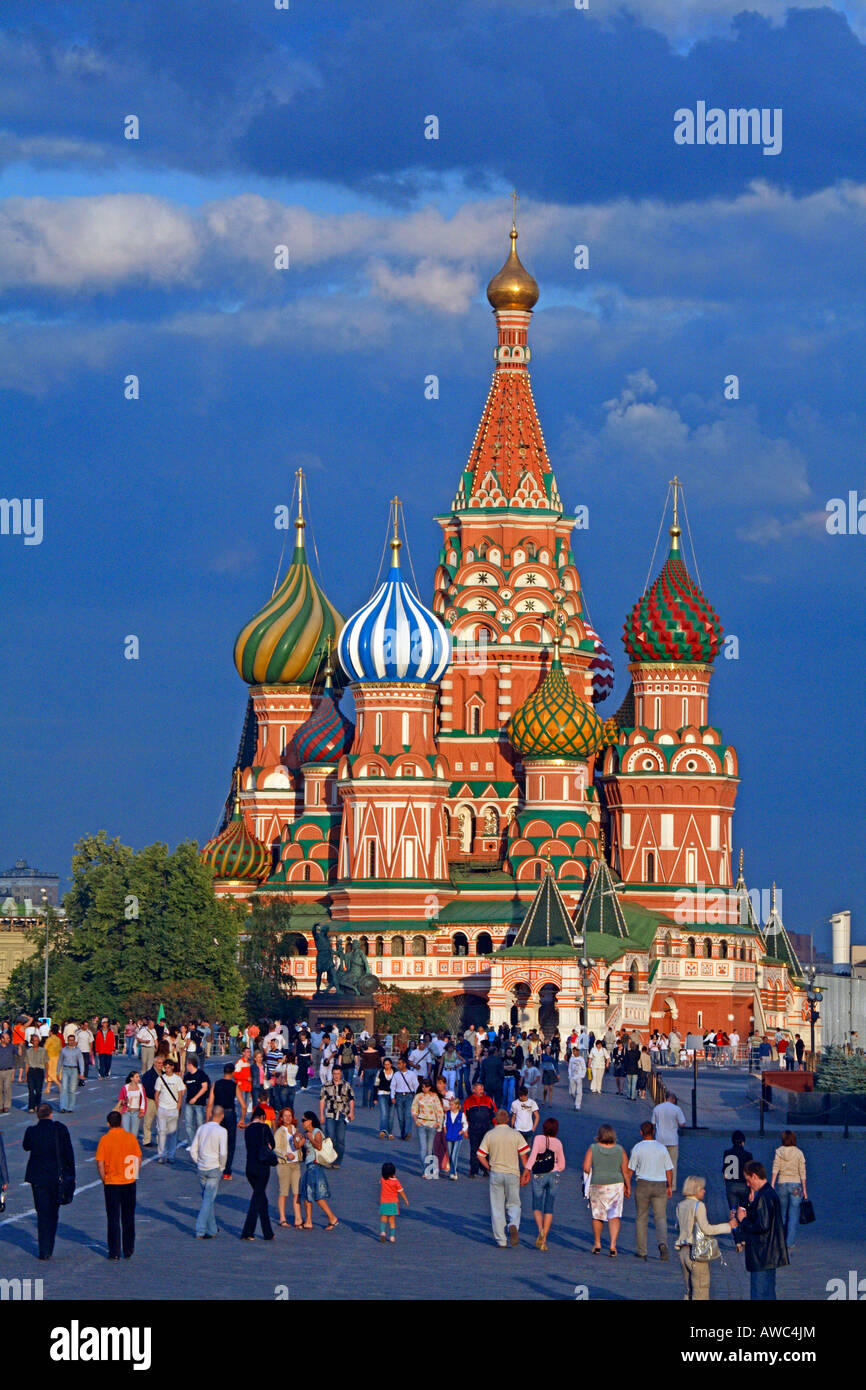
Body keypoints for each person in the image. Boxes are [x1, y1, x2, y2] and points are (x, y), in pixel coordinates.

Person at [23, 1103, 76, 1259]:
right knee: (53, 1212)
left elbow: (26, 1146)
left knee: (42, 1213)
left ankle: (43, 1249)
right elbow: (69, 1154)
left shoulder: (32, 1131)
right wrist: (72, 1175)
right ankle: (49, 1246)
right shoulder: (59, 1130)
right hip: (56, 1177)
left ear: (38, 1115)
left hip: (38, 1178)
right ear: (51, 1114)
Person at [731, 1160, 790, 1299]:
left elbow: (762, 1225)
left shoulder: (764, 1196)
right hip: (769, 1254)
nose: (747, 1184)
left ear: (755, 1176)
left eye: (748, 1179)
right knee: (768, 1292)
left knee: (760, 1293)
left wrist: (743, 1219)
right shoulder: (768, 1193)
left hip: (762, 1254)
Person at [675, 1175, 735, 1301]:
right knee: (700, 1291)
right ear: (696, 1189)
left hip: (683, 1252)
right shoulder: (699, 1206)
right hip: (696, 1253)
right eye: (702, 1189)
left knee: (688, 1291)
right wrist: (728, 1226)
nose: (704, 1191)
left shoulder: (680, 1205)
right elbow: (707, 1229)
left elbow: (678, 1227)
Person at [477, 1109, 530, 1248]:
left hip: (496, 1173)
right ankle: (513, 1224)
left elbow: (480, 1155)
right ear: (507, 1120)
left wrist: (488, 1167)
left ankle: (501, 1240)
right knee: (514, 1203)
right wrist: (527, 1171)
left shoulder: (490, 1134)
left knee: (497, 1206)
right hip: (512, 1173)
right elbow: (524, 1156)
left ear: (496, 1120)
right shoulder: (515, 1134)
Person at [96, 1110, 141, 1260]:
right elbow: (137, 1158)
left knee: (113, 1218)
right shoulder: (130, 1138)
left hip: (112, 1182)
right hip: (128, 1181)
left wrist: (104, 1179)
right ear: (121, 1122)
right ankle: (128, 1249)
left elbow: (100, 1163)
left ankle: (114, 1251)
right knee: (128, 1217)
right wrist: (133, 1175)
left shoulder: (105, 1139)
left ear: (108, 1124)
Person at [628, 1120, 674, 1261]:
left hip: (642, 1184)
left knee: (641, 1218)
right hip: (660, 1184)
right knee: (660, 1218)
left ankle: (642, 1250)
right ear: (653, 1132)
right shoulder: (661, 1148)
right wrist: (670, 1186)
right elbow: (669, 1169)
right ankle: (663, 1244)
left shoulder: (637, 1148)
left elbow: (631, 1169)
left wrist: (627, 1185)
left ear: (641, 1133)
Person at [583, 1123, 629, 1256]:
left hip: (597, 1184)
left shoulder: (593, 1148)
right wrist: (628, 1186)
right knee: (614, 1215)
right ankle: (613, 1246)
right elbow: (625, 1170)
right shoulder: (620, 1149)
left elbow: (586, 1167)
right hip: (616, 1185)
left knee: (597, 1215)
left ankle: (597, 1243)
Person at [523, 1116, 566, 1251]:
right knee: (549, 1207)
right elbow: (562, 1164)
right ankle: (544, 1239)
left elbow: (533, 1155)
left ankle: (540, 1229)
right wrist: (556, 1168)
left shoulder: (538, 1139)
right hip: (554, 1175)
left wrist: (526, 1170)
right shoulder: (558, 1143)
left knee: (537, 1205)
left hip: (539, 1175)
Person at [189, 1104, 228, 1238]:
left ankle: (212, 1229)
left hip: (202, 1167)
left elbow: (193, 1149)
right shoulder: (222, 1131)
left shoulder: (202, 1128)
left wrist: (198, 1161)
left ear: (211, 1114)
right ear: (222, 1116)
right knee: (208, 1200)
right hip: (214, 1167)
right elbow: (223, 1152)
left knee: (207, 1198)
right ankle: (200, 1229)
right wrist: (222, 1167)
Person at [240, 1105, 278, 1240]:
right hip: (262, 1167)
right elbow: (272, 1144)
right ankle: (247, 1231)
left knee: (262, 1199)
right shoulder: (265, 1128)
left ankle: (268, 1233)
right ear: (263, 1117)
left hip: (249, 1166)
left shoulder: (248, 1129)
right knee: (257, 1199)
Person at [298, 1111, 339, 1231]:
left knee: (317, 1195)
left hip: (315, 1166)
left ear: (310, 1121)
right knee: (307, 1194)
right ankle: (308, 1221)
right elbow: (298, 1146)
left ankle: (332, 1217)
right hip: (309, 1165)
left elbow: (319, 1146)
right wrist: (298, 1138)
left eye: (304, 1120)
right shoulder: (306, 1134)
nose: (302, 1122)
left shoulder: (316, 1132)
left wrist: (310, 1138)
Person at [771, 1130, 808, 1251]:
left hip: (782, 1183)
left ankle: (779, 1239)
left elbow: (775, 1168)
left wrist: (772, 1183)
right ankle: (789, 1242)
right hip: (796, 1185)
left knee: (781, 1214)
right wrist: (805, 1190)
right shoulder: (799, 1153)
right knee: (793, 1215)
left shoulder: (779, 1151)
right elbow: (802, 1172)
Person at [209, 1063, 243, 1182]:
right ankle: (227, 1171)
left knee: (216, 1141)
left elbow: (209, 1104)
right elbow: (243, 1105)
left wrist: (208, 1119)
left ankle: (216, 1166)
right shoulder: (234, 1086)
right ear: (233, 1073)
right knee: (230, 1142)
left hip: (217, 1113)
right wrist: (242, 1119)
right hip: (229, 1114)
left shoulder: (215, 1084)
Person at [319, 1064, 355, 1166]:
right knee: (330, 1138)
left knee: (340, 1139)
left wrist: (352, 1112)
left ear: (341, 1074)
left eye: (338, 1074)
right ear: (332, 1074)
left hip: (343, 1114)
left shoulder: (346, 1085)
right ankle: (329, 1159)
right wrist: (321, 1114)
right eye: (334, 1074)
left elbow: (351, 1099)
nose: (336, 1076)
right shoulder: (326, 1086)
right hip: (330, 1114)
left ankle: (338, 1160)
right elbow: (322, 1100)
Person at [274, 1106, 303, 1228]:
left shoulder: (294, 1129)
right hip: (284, 1164)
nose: (288, 1118)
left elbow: (298, 1144)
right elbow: (276, 1148)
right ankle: (282, 1217)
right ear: (281, 1118)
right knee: (284, 1192)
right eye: (285, 1116)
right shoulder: (280, 1131)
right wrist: (286, 1154)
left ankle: (298, 1217)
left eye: (289, 1115)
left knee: (297, 1192)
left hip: (296, 1163)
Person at [411, 1076, 444, 1179]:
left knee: (429, 1150)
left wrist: (438, 1123)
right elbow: (413, 1109)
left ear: (430, 1087)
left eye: (426, 1087)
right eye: (422, 1087)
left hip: (432, 1124)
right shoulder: (418, 1096)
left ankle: (429, 1170)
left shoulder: (434, 1096)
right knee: (422, 1148)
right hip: (421, 1123)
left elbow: (439, 1110)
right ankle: (425, 1169)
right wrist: (416, 1120)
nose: (424, 1089)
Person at [651, 1090, 686, 1187]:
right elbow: (682, 1123)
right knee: (672, 1164)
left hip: (660, 1139)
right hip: (672, 1140)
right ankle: (672, 1185)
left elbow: (653, 1123)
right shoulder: (677, 1109)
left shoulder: (657, 1108)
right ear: (673, 1100)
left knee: (659, 1163)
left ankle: (659, 1183)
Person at [464, 1080, 497, 1177]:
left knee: (485, 1150)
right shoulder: (468, 1101)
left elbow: (494, 1113)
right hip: (473, 1129)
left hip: (485, 1128)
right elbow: (464, 1117)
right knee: (474, 1150)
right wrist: (465, 1130)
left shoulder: (488, 1099)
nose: (482, 1091)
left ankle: (485, 1169)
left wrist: (496, 1125)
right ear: (474, 1090)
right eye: (480, 1089)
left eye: (482, 1089)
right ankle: (473, 1170)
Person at [154, 1058, 184, 1164]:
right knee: (161, 1133)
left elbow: (180, 1095)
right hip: (162, 1108)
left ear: (172, 1067)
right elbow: (156, 1095)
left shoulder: (177, 1079)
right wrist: (158, 1108)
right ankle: (161, 1155)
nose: (167, 1069)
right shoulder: (160, 1079)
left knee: (172, 1134)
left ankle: (171, 1155)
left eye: (168, 1067)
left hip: (173, 1109)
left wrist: (178, 1108)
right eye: (165, 1067)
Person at [722, 1130, 753, 1214]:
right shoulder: (748, 1155)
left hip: (731, 1186)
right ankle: (742, 1226)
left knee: (733, 1211)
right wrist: (752, 1191)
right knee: (743, 1211)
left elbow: (725, 1174)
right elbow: (750, 1174)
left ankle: (734, 1226)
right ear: (743, 1142)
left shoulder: (727, 1153)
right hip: (744, 1187)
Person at [182, 1056, 211, 1147]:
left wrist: (195, 1098)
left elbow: (205, 1087)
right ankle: (192, 1144)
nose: (186, 1066)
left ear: (191, 1064)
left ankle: (201, 1143)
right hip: (189, 1103)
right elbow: (184, 1088)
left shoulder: (201, 1074)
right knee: (188, 1124)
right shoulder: (187, 1076)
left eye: (187, 1064)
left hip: (199, 1103)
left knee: (200, 1124)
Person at [390, 1057, 419, 1142]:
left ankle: (408, 1132)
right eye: (398, 1064)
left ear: (404, 1064)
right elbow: (392, 1086)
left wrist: (417, 1097)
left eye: (399, 1063)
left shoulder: (412, 1074)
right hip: (399, 1096)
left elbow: (416, 1086)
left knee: (408, 1115)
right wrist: (392, 1096)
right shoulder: (396, 1074)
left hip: (409, 1095)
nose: (398, 1065)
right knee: (400, 1117)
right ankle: (403, 1133)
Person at [379, 1160, 409, 1242]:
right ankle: (392, 1237)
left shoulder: (382, 1180)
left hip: (384, 1202)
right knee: (392, 1220)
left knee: (383, 1218)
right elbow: (400, 1191)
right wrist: (406, 1199)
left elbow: (382, 1180)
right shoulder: (396, 1182)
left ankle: (382, 1232)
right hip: (393, 1203)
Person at [443, 1093, 468, 1179]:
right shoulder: (448, 1114)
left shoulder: (461, 1114)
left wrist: (462, 1131)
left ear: (457, 1105)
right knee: (450, 1154)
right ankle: (452, 1171)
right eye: (450, 1105)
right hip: (449, 1136)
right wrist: (446, 1131)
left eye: (452, 1105)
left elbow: (465, 1124)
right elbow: (444, 1123)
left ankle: (454, 1172)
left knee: (454, 1155)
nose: (450, 1106)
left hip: (457, 1137)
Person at [58, 1033, 85, 1113]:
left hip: (74, 1070)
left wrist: (82, 1073)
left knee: (72, 1090)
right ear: (67, 1041)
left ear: (74, 1041)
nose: (71, 1042)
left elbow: (81, 1062)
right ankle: (63, 1107)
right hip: (65, 1069)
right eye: (70, 1040)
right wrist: (57, 1071)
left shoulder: (77, 1050)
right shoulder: (63, 1050)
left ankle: (70, 1107)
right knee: (64, 1088)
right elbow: (60, 1061)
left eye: (73, 1040)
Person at [117, 1071, 147, 1138]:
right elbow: (120, 1099)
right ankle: (126, 1147)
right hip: (126, 1112)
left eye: (138, 1077)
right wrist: (124, 1101)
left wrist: (142, 1111)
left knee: (134, 1134)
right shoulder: (125, 1088)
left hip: (136, 1112)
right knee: (126, 1133)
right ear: (131, 1078)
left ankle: (132, 1147)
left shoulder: (141, 1087)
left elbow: (144, 1100)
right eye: (137, 1077)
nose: (139, 1078)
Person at [24, 1035, 48, 1111]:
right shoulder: (28, 1051)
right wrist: (26, 1075)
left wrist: (47, 1073)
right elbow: (27, 1063)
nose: (36, 1042)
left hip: (39, 1071)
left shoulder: (43, 1051)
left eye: (37, 1040)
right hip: (31, 1071)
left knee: (38, 1090)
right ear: (31, 1042)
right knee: (31, 1090)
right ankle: (31, 1107)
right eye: (34, 1040)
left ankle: (37, 1104)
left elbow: (46, 1062)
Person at [376, 1057, 396, 1138]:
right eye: (385, 1064)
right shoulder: (380, 1072)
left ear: (391, 1064)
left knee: (391, 1115)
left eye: (388, 1064)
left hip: (392, 1095)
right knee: (384, 1113)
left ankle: (390, 1132)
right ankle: (383, 1130)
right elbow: (376, 1084)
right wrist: (374, 1097)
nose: (386, 1066)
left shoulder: (395, 1072)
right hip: (382, 1093)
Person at [567, 1047, 587, 1111]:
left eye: (575, 1051)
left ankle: (578, 1105)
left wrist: (582, 1075)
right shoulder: (571, 1058)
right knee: (572, 1092)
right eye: (573, 1051)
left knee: (579, 1092)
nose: (574, 1053)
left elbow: (584, 1067)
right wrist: (570, 1075)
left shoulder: (581, 1059)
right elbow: (570, 1067)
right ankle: (576, 1101)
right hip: (572, 1076)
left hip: (578, 1077)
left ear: (578, 1051)